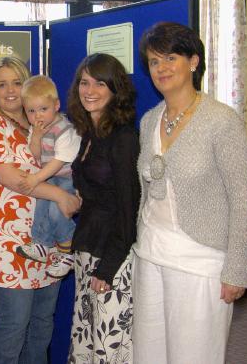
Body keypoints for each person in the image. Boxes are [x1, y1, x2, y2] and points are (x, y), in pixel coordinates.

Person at [133, 21, 247, 364]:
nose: (161, 68)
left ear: (193, 61)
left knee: (194, 356)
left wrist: (236, 268)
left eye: (170, 58)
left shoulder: (221, 120)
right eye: (154, 62)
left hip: (199, 260)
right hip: (150, 254)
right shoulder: (149, 120)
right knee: (148, 353)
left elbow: (244, 197)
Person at [0, 56, 80, 364]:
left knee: (42, 323)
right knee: (13, 322)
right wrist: (59, 195)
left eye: (17, 83)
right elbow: (13, 179)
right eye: (1, 84)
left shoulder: (39, 122)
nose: (9, 91)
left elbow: (65, 163)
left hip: (44, 237)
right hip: (9, 238)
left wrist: (72, 193)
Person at [66, 53, 139, 363]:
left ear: (115, 89)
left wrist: (108, 268)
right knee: (85, 339)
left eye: (100, 83)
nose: (90, 90)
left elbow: (129, 208)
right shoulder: (89, 135)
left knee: (109, 346)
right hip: (87, 251)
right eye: (84, 82)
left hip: (113, 258)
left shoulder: (123, 138)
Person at [15, 75, 81, 278]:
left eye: (43, 109)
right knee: (40, 205)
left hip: (68, 177)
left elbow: (59, 160)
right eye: (31, 111)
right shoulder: (36, 129)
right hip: (50, 176)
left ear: (56, 105)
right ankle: (42, 243)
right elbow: (36, 156)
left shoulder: (65, 129)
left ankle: (68, 248)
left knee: (55, 210)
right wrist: (35, 137)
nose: (38, 116)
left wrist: (36, 178)